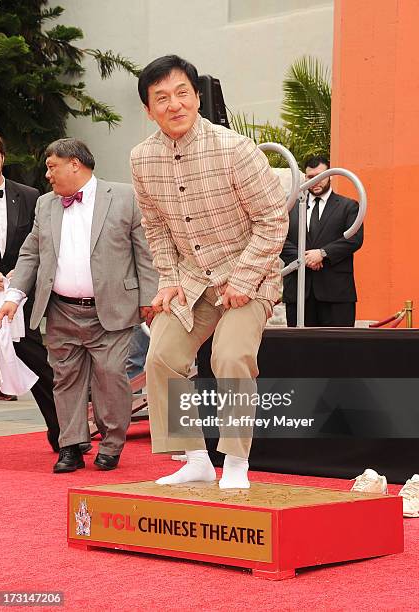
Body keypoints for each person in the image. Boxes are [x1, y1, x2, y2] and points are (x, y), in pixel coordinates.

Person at [130, 55, 288, 489]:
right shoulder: (142, 159)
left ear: (197, 97)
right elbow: (156, 227)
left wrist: (244, 278)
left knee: (229, 356)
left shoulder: (235, 149)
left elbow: (273, 219)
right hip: (191, 280)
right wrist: (168, 280)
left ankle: (236, 462)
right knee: (161, 356)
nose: (174, 104)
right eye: (161, 98)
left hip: (249, 274)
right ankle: (196, 458)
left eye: (182, 93)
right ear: (148, 109)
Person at [0, 138, 158, 473]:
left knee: (110, 377)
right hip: (61, 310)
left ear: (75, 164)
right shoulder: (45, 205)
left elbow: (144, 254)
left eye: (52, 166)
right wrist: (14, 298)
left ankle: (112, 443)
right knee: (64, 378)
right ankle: (70, 446)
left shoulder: (124, 197)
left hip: (111, 309)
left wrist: (149, 300)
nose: (48, 174)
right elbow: (30, 255)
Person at [0, 133, 61, 451]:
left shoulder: (30, 195)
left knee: (37, 361)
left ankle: (63, 433)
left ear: (2, 157)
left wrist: (20, 276)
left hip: (17, 296)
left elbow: (41, 245)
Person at [281, 155, 363, 327]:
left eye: (321, 176)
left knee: (338, 349)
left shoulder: (348, 206)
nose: (315, 182)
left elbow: (354, 239)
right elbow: (279, 238)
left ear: (331, 175)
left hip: (336, 294)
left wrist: (322, 254)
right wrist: (304, 258)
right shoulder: (290, 206)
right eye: (311, 177)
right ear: (305, 177)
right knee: (299, 351)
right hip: (299, 292)